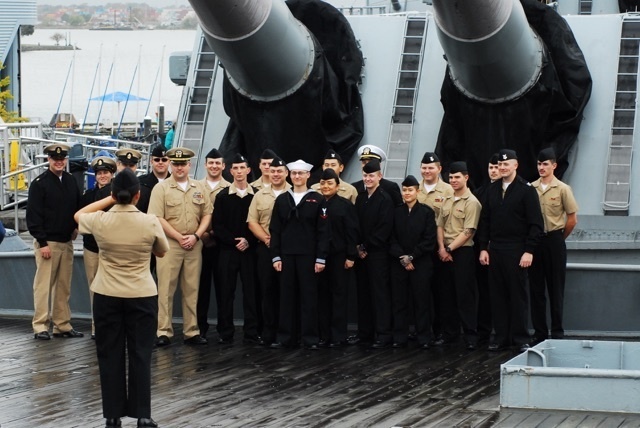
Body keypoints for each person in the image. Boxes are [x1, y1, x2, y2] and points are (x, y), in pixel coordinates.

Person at [75, 168, 168, 428]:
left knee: (109, 354)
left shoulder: (101, 221)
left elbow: (79, 215)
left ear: (115, 194)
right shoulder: (150, 222)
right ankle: (143, 415)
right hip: (141, 294)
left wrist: (110, 200)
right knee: (140, 354)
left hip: (107, 293)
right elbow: (161, 252)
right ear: (138, 195)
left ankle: (113, 415)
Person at [477, 149, 544, 352]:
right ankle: (501, 337)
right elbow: (485, 221)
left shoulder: (526, 190)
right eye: (500, 165)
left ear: (516, 165)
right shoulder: (492, 190)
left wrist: (529, 250)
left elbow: (536, 224)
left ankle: (520, 337)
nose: (503, 167)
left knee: (518, 294)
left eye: (507, 164)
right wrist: (483, 248)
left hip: (517, 249)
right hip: (495, 248)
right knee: (497, 295)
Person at [148, 147, 212, 346]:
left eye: (183, 163)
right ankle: (163, 331)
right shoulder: (161, 188)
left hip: (194, 245)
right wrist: (178, 236)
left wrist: (196, 236)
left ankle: (191, 331)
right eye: (175, 164)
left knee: (192, 289)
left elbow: (207, 214)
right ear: (170, 164)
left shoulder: (200, 188)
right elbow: (157, 217)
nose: (179, 167)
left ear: (189, 165)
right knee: (165, 288)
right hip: (170, 246)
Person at [269, 159, 329, 350]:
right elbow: (275, 230)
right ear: (290, 175)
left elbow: (323, 231)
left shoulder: (318, 199)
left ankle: (310, 338)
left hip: (309, 256)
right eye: (294, 173)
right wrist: (276, 256)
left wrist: (320, 258)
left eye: (301, 173)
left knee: (309, 297)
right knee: (286, 297)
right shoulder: (282, 199)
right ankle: (286, 337)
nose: (297, 176)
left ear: (308, 175)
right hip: (286, 256)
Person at [27, 143, 83, 340]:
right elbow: (33, 216)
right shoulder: (39, 183)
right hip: (48, 243)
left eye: (62, 159)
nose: (59, 162)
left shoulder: (70, 181)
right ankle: (40, 325)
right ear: (48, 160)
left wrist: (76, 227)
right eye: (55, 159)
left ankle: (62, 325)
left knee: (63, 286)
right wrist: (42, 243)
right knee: (43, 286)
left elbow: (77, 207)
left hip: (66, 242)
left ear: (65, 160)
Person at [530, 147, 579, 344]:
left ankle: (557, 332)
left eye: (545, 164)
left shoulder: (563, 189)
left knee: (556, 288)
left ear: (554, 166)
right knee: (536, 289)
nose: (541, 167)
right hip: (535, 242)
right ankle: (540, 332)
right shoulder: (530, 188)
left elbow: (572, 219)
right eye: (539, 164)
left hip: (554, 240)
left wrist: (559, 238)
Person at [211, 154, 260, 345]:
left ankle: (251, 332)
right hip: (228, 251)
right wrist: (234, 241)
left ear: (248, 170)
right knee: (225, 292)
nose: (239, 172)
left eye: (242, 168)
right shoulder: (222, 196)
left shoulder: (256, 194)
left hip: (249, 251)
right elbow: (218, 225)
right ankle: (225, 332)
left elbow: (258, 222)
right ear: (230, 171)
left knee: (251, 292)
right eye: (235, 168)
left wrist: (248, 240)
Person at [436, 161, 482, 350]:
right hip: (444, 251)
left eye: (457, 177)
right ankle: (450, 334)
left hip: (462, 252)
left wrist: (449, 249)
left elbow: (468, 231)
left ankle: (470, 335)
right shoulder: (446, 199)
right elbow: (439, 225)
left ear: (466, 177)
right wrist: (441, 247)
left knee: (465, 295)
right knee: (446, 295)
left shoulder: (473, 202)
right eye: (451, 177)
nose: (453, 180)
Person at [389, 175, 436, 349]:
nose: (407, 193)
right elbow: (391, 237)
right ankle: (399, 336)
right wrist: (402, 257)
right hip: (399, 263)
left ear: (417, 191)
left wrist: (412, 256)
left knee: (421, 301)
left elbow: (429, 239)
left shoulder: (426, 212)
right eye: (405, 190)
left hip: (420, 263)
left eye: (410, 190)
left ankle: (424, 337)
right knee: (399, 301)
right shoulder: (396, 212)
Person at [247, 157, 290, 346]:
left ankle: (287, 332)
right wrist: (266, 239)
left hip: (288, 250)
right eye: (273, 171)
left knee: (287, 291)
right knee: (267, 291)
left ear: (286, 173)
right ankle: (269, 332)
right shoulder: (260, 195)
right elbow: (252, 221)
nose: (276, 174)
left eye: (279, 171)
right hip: (265, 249)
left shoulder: (293, 193)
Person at [353, 159, 395, 348]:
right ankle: (365, 333)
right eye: (365, 175)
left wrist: (366, 247)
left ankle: (383, 334)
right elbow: (356, 225)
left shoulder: (385, 199)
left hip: (378, 254)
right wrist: (358, 246)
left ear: (380, 176)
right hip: (362, 253)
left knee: (380, 294)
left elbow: (384, 229)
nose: (368, 179)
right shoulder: (361, 198)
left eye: (371, 176)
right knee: (363, 294)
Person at [317, 168, 360, 347]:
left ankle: (338, 336)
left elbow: (352, 232)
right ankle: (324, 335)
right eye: (323, 183)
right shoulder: (316, 203)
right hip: (321, 258)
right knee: (323, 297)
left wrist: (351, 256)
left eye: (330, 183)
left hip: (340, 257)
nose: (326, 186)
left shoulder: (345, 205)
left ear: (337, 185)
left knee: (339, 296)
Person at [417, 151, 454, 344]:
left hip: (440, 249)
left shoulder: (449, 190)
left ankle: (442, 330)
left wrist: (444, 248)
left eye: (431, 168)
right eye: (424, 168)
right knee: (421, 291)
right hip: (420, 250)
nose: (427, 171)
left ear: (439, 169)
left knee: (442, 292)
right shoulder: (415, 190)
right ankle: (422, 330)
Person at [80, 156, 117, 339]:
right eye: (99, 173)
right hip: (92, 248)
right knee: (94, 288)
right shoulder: (88, 196)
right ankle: (97, 327)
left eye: (106, 173)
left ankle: (112, 325)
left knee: (112, 288)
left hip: (111, 249)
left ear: (112, 174)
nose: (102, 176)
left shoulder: (117, 196)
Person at [197, 148, 230, 339]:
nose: (214, 166)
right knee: (200, 288)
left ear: (223, 166)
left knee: (223, 288)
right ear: (205, 165)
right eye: (211, 162)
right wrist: (204, 235)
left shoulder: (230, 188)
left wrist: (215, 234)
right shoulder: (195, 187)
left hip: (222, 244)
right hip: (200, 243)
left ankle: (224, 329)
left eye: (218, 163)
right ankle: (200, 328)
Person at [472, 153, 500, 344]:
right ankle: (483, 330)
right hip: (481, 247)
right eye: (491, 167)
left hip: (502, 247)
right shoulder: (479, 193)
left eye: (497, 167)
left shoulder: (510, 191)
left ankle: (502, 331)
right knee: (483, 290)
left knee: (501, 291)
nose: (493, 171)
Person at [137, 146, 171, 214]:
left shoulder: (175, 183)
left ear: (169, 161)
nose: (160, 162)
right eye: (157, 160)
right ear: (151, 161)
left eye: (164, 160)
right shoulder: (140, 182)